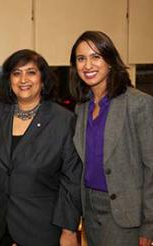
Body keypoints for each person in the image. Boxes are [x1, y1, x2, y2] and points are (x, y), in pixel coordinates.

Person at [0, 49, 82, 246]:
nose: (23, 79)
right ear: (9, 80)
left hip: (41, 229)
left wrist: (69, 229)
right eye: (16, 73)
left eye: (31, 72)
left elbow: (72, 180)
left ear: (43, 79)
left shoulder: (63, 120)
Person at [70, 30, 153, 246]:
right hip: (89, 209)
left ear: (110, 60)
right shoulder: (81, 107)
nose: (87, 65)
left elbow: (152, 168)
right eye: (81, 58)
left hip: (125, 214)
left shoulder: (138, 104)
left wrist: (149, 225)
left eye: (95, 56)